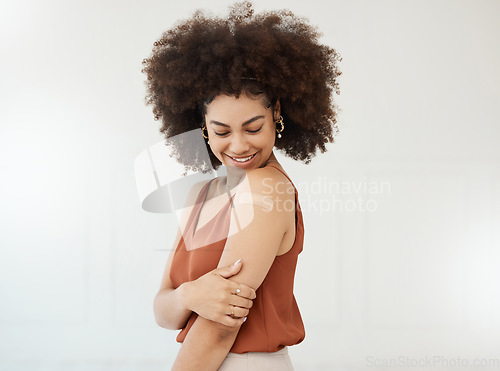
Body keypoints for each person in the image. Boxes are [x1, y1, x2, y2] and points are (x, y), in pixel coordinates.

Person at [141, 2, 341, 369]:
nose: (238, 146)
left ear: (276, 113)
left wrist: (186, 300)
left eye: (253, 128)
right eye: (220, 131)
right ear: (202, 125)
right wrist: (190, 294)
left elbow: (219, 329)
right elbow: (163, 310)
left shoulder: (266, 189)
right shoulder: (200, 195)